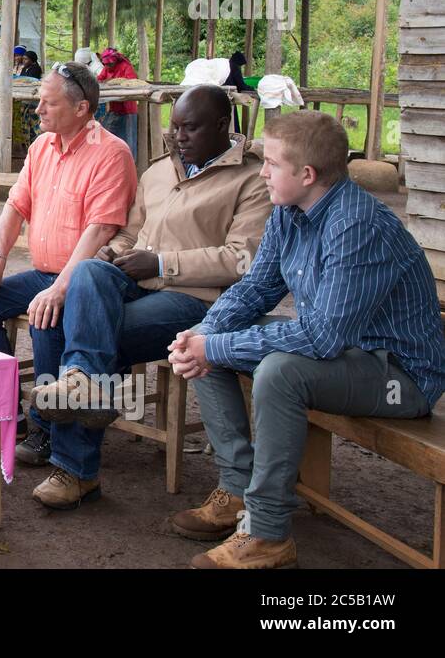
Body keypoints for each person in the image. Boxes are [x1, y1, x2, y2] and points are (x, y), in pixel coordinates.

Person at [167, 110, 445, 569]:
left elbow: (321, 338)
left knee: (278, 370)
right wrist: (205, 333)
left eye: (272, 163)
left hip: (400, 374)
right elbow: (257, 287)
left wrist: (213, 346)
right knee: (210, 339)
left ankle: (268, 534)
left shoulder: (356, 225)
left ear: (307, 174)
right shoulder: (289, 211)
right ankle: (237, 489)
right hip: (344, 356)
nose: (262, 172)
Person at [24, 85, 272, 509]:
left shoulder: (253, 178)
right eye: (174, 128)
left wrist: (160, 264)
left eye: (190, 128)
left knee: (89, 335)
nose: (178, 138)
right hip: (137, 284)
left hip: (196, 300)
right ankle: (83, 386)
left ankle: (75, 469)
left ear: (220, 126)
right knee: (87, 272)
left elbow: (241, 259)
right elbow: (131, 233)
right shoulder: (160, 170)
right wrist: (111, 252)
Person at [0, 62, 136, 459]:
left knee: (46, 318)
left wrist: (60, 289)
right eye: (39, 100)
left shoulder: (111, 154)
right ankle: (3, 414)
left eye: (48, 103)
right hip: (44, 273)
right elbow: (15, 206)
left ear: (81, 109)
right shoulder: (42, 147)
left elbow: (100, 231)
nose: (37, 109)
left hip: (87, 281)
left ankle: (47, 429)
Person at [97, 47, 140, 159]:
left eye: (110, 64)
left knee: (129, 138)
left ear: (115, 60)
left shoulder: (126, 67)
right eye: (105, 64)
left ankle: (131, 161)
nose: (108, 67)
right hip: (114, 109)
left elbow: (132, 81)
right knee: (107, 133)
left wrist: (114, 83)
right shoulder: (106, 69)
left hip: (128, 110)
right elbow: (100, 78)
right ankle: (110, 158)